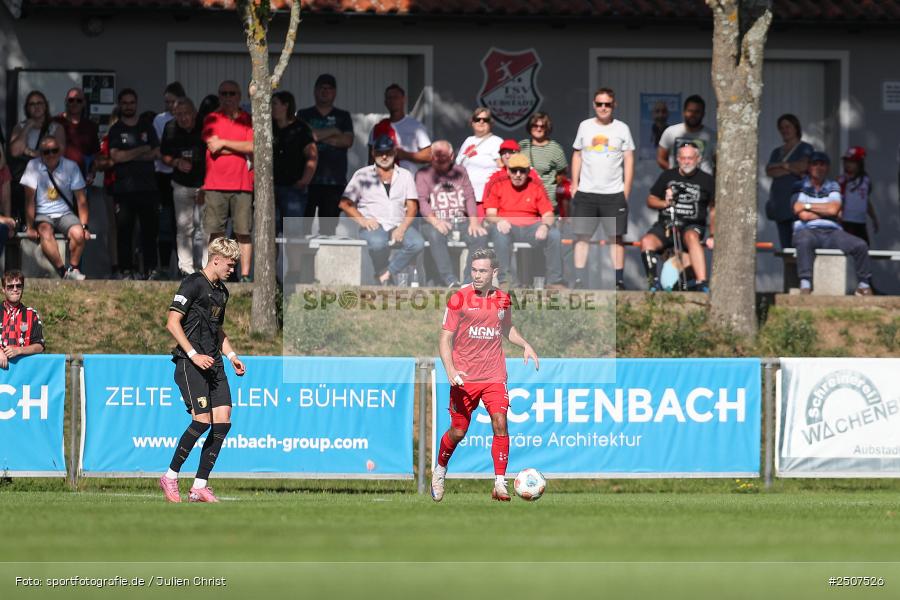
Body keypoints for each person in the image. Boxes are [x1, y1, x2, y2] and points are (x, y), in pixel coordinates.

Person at [432, 247, 539, 502]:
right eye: (474, 270)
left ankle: (500, 483)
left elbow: (507, 328)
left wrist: (524, 344)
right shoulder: (459, 298)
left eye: (482, 270)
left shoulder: (503, 298)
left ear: (494, 272)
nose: (477, 275)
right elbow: (444, 339)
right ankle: (440, 469)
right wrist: (450, 370)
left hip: (494, 374)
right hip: (464, 376)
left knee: (500, 422)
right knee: (458, 432)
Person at [159, 237, 246, 503]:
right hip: (190, 362)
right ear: (216, 259)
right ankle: (170, 476)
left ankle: (199, 486)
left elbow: (216, 329)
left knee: (223, 420)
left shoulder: (222, 292)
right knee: (202, 421)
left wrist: (231, 356)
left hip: (214, 363)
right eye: (230, 265)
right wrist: (194, 355)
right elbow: (172, 323)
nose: (232, 270)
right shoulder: (193, 283)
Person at [570, 87, 635, 290]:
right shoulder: (585, 126)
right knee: (582, 236)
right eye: (599, 104)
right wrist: (574, 184)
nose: (603, 108)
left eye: (607, 104)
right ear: (594, 105)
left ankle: (618, 281)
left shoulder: (622, 128)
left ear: (614, 105)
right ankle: (579, 280)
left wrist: (626, 190)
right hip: (587, 193)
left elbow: (629, 159)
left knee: (615, 238)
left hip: (614, 193)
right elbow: (577, 155)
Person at [339, 135, 424, 285]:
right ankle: (383, 273)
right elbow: (345, 203)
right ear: (373, 153)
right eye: (379, 152)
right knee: (378, 243)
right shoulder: (362, 174)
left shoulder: (405, 175)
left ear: (395, 152)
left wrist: (403, 228)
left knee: (417, 243)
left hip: (398, 223)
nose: (384, 156)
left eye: (388, 152)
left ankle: (386, 273)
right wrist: (362, 220)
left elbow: (413, 206)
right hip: (373, 224)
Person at [792, 152, 872, 296]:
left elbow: (834, 209)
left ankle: (863, 285)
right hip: (807, 230)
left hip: (832, 232)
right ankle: (805, 284)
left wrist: (808, 206)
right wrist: (825, 209)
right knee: (804, 240)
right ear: (809, 167)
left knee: (860, 245)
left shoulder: (833, 185)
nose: (819, 167)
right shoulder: (799, 185)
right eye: (815, 164)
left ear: (827, 167)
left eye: (822, 164)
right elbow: (801, 213)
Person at [640, 142, 715, 292]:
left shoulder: (707, 180)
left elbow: (713, 209)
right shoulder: (668, 175)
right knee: (647, 241)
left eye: (690, 158)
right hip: (667, 224)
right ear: (678, 159)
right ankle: (653, 283)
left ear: (698, 159)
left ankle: (702, 282)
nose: (687, 161)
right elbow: (650, 200)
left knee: (692, 237)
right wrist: (664, 203)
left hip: (692, 225)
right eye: (683, 158)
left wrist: (713, 234)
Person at [484, 153, 565, 289]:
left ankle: (554, 281)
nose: (518, 174)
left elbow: (548, 214)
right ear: (508, 171)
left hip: (531, 227)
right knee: (499, 234)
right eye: (514, 170)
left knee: (554, 234)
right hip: (507, 225)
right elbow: (490, 214)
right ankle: (505, 280)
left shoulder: (536, 186)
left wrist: (545, 226)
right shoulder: (498, 185)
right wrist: (499, 220)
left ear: (528, 172)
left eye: (522, 171)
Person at [416, 140, 488, 287]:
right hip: (434, 221)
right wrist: (436, 221)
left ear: (452, 155)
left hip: (460, 221)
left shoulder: (460, 171)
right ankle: (449, 278)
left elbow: (469, 196)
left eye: (444, 155)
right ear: (431, 156)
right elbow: (421, 202)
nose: (440, 159)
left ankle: (469, 280)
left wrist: (474, 221)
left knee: (480, 235)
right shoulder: (423, 173)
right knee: (435, 234)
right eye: (437, 155)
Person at [202, 80, 254, 282]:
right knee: (216, 232)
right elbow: (211, 147)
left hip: (242, 183)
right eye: (223, 93)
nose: (228, 97)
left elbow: (253, 147)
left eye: (232, 93)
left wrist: (223, 142)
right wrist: (239, 146)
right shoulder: (211, 118)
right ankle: (213, 274)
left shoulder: (247, 119)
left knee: (243, 231)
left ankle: (245, 275)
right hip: (215, 183)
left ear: (239, 96)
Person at [108, 89, 161, 280]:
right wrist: (141, 150)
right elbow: (116, 157)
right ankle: (126, 270)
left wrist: (129, 154)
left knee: (149, 231)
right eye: (125, 102)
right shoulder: (116, 129)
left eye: (132, 102)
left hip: (148, 187)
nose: (128, 106)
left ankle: (150, 269)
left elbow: (155, 152)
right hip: (124, 189)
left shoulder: (147, 126)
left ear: (136, 103)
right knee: (125, 232)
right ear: (120, 104)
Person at [21, 136, 90, 280]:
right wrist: (30, 226)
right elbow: (29, 199)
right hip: (43, 213)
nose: (51, 154)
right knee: (45, 232)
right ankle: (63, 271)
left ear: (60, 151)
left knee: (78, 233)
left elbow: (81, 199)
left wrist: (85, 226)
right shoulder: (33, 166)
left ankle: (74, 268)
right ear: (40, 153)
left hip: (65, 213)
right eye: (46, 152)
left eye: (54, 150)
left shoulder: (71, 166)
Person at [297, 73, 354, 237]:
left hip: (334, 182)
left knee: (328, 231)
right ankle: (303, 263)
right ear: (315, 91)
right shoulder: (304, 114)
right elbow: (304, 138)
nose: (325, 91)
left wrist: (316, 137)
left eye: (329, 88)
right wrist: (334, 132)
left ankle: (325, 263)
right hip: (307, 180)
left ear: (335, 92)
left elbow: (347, 141)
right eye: (321, 87)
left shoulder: (343, 116)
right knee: (302, 230)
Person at [161, 97, 207, 277]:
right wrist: (176, 162)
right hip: (180, 183)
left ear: (194, 113)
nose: (183, 118)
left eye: (186, 113)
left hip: (204, 183)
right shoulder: (170, 128)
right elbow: (163, 155)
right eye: (178, 114)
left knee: (205, 227)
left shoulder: (204, 125)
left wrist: (206, 184)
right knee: (183, 227)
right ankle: (185, 268)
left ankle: (205, 267)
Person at [8, 91, 67, 223]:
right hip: (24, 182)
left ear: (45, 106)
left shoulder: (56, 127)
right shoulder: (20, 127)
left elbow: (58, 154)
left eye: (39, 103)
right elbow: (15, 151)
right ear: (27, 108)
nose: (36, 106)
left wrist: (30, 152)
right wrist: (28, 126)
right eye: (32, 104)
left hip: (48, 180)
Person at [153, 82, 187, 279]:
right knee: (165, 222)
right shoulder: (160, 120)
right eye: (166, 102)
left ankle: (184, 267)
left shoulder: (186, 118)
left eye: (172, 102)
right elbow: (159, 148)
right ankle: (165, 266)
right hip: (163, 174)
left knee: (182, 223)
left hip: (181, 175)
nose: (169, 106)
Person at [764, 114, 814, 249]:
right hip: (780, 204)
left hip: (797, 205)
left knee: (800, 246)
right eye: (781, 128)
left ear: (796, 128)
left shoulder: (805, 148)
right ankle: (789, 271)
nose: (784, 130)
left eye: (788, 127)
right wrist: (792, 168)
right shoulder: (777, 152)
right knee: (786, 248)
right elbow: (770, 171)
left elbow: (803, 166)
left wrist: (782, 166)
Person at [272, 91, 317, 236]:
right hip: (270, 188)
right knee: (270, 233)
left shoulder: (301, 129)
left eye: (274, 104)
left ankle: (294, 260)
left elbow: (312, 155)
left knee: (293, 234)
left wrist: (305, 180)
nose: (271, 107)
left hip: (292, 189)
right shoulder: (268, 127)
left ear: (286, 106)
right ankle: (270, 260)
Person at [368, 84, 431, 172]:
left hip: (408, 181)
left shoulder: (416, 127)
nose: (392, 101)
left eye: (396, 97)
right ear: (385, 102)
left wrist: (405, 155)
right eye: (389, 98)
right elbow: (371, 160)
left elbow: (429, 156)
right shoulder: (377, 128)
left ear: (403, 99)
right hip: (382, 181)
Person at [518, 112, 568, 212]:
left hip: (547, 201)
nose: (539, 129)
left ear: (547, 128)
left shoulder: (555, 149)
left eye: (542, 126)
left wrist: (551, 187)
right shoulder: (522, 145)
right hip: (523, 199)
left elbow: (562, 173)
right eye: (535, 125)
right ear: (530, 126)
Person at [657, 95, 716, 175]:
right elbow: (660, 158)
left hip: (703, 186)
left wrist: (708, 179)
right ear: (684, 112)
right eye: (690, 111)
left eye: (697, 112)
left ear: (703, 114)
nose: (693, 115)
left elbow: (719, 163)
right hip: (676, 183)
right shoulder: (670, 132)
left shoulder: (712, 136)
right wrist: (674, 174)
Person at [456, 107, 502, 205]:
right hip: (463, 196)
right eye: (477, 119)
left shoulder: (496, 141)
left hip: (484, 198)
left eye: (485, 120)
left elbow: (502, 167)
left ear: (491, 123)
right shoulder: (468, 140)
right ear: (472, 122)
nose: (481, 122)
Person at [0, 270, 45, 369]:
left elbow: (40, 346)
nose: (15, 289)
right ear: (3, 289)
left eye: (18, 286)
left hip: (23, 374)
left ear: (22, 288)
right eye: (10, 286)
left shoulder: (31, 314)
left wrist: (19, 350)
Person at [53, 87, 100, 182]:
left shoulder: (91, 126)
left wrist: (92, 173)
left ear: (84, 103)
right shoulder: (54, 122)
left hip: (80, 181)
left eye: (79, 100)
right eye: (71, 100)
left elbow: (95, 155)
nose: (75, 103)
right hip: (57, 179)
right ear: (66, 101)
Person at [838, 146, 879, 244]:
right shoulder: (842, 180)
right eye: (846, 161)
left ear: (860, 163)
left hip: (861, 223)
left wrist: (874, 218)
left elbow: (866, 200)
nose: (848, 164)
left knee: (864, 248)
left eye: (852, 162)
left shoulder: (866, 180)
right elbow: (839, 201)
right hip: (847, 222)